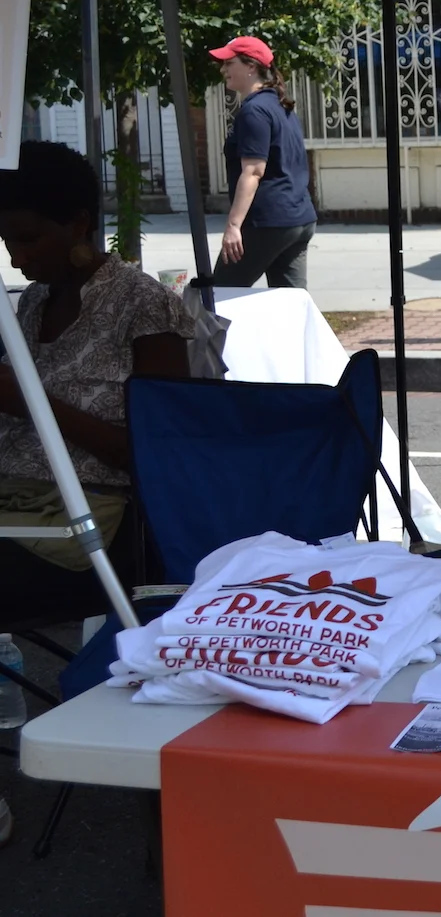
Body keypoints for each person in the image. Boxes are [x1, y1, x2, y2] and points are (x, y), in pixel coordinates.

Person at [0, 142, 190, 625]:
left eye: (29, 239)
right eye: (6, 242)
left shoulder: (142, 304)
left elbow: (160, 454)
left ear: (78, 223)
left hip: (89, 525)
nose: (17, 258)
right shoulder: (35, 301)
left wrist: (33, 403)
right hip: (15, 502)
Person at [213, 35, 317, 288]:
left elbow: (253, 171)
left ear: (251, 66)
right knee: (292, 302)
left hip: (267, 221)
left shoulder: (254, 111)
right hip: (298, 218)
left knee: (219, 296)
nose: (223, 69)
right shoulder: (280, 106)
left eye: (229, 63)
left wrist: (233, 225)